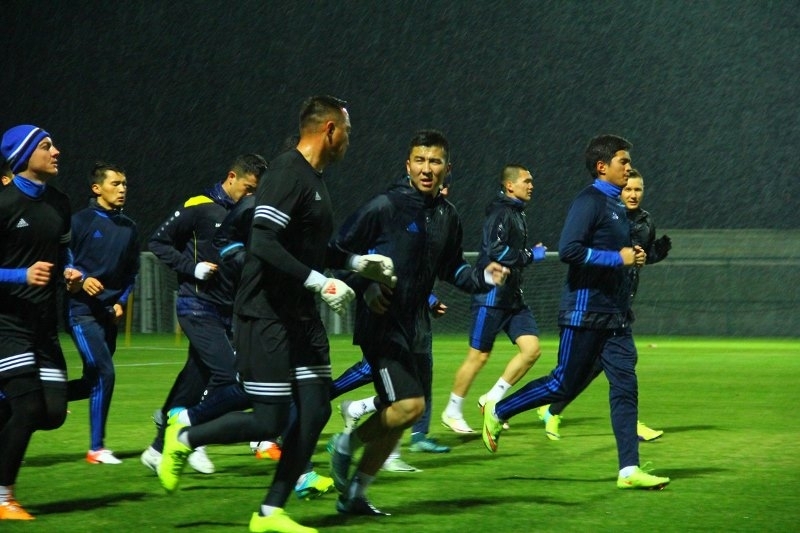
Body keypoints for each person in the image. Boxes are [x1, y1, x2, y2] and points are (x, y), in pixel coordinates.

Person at [158, 95, 396, 533]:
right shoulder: (288, 172)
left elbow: (310, 247)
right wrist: (319, 282)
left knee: (316, 411)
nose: (350, 139)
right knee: (271, 419)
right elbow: (264, 242)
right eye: (347, 131)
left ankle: (269, 513)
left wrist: (357, 263)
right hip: (265, 314)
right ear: (329, 130)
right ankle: (185, 435)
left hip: (300, 316)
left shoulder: (315, 180)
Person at [328, 129, 509, 516]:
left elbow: (452, 268)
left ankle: (355, 496)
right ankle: (345, 444)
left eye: (435, 162)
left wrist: (482, 277)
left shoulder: (447, 215)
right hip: (381, 324)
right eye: (420, 161)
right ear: (408, 164)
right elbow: (335, 253)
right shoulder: (385, 206)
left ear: (447, 168)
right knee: (410, 407)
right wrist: (364, 286)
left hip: (415, 328)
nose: (427, 169)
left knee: (396, 415)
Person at [481, 134, 671, 490]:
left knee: (625, 386)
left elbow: (615, 254)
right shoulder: (589, 201)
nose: (629, 167)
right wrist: (617, 258)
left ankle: (628, 470)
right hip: (584, 311)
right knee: (562, 383)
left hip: (615, 315)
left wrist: (635, 256)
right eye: (623, 161)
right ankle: (499, 409)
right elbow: (570, 250)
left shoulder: (616, 206)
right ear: (602, 166)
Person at [141, 153, 267, 475]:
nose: (250, 195)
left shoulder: (246, 213)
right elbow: (158, 242)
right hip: (196, 305)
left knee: (193, 383)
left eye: (256, 191)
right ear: (231, 177)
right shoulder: (199, 206)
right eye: (248, 188)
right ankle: (192, 439)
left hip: (226, 310)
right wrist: (191, 267)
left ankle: (157, 449)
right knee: (228, 376)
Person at [536, 168, 671, 442]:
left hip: (620, 303)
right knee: (580, 369)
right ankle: (509, 407)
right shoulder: (607, 214)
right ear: (619, 189)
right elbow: (586, 252)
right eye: (628, 189)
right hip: (594, 302)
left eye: (638, 189)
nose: (633, 194)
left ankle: (552, 409)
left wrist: (654, 253)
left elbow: (638, 258)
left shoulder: (646, 221)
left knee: (611, 365)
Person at [0, 125, 82, 520]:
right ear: (22, 155)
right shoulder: (3, 204)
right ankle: (4, 498)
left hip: (45, 325)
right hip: (7, 323)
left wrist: (72, 273)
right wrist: (21, 275)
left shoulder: (60, 203)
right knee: (29, 408)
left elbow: (64, 254)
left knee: (52, 413)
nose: (56, 151)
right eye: (46, 146)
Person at [441, 164, 547, 433]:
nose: (531, 185)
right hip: (491, 296)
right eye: (526, 181)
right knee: (478, 356)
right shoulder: (501, 211)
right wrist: (530, 255)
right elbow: (496, 250)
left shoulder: (517, 212)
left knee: (531, 350)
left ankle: (491, 399)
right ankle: (452, 411)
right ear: (510, 185)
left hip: (512, 297)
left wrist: (526, 255)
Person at [66, 162, 140, 464]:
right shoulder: (79, 222)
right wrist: (81, 278)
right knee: (104, 373)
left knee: (90, 383)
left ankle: (23, 398)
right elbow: (63, 261)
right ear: (97, 188)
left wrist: (121, 301)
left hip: (109, 314)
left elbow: (131, 272)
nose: (122, 189)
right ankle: (96, 448)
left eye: (125, 184)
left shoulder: (129, 227)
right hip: (81, 311)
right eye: (115, 184)